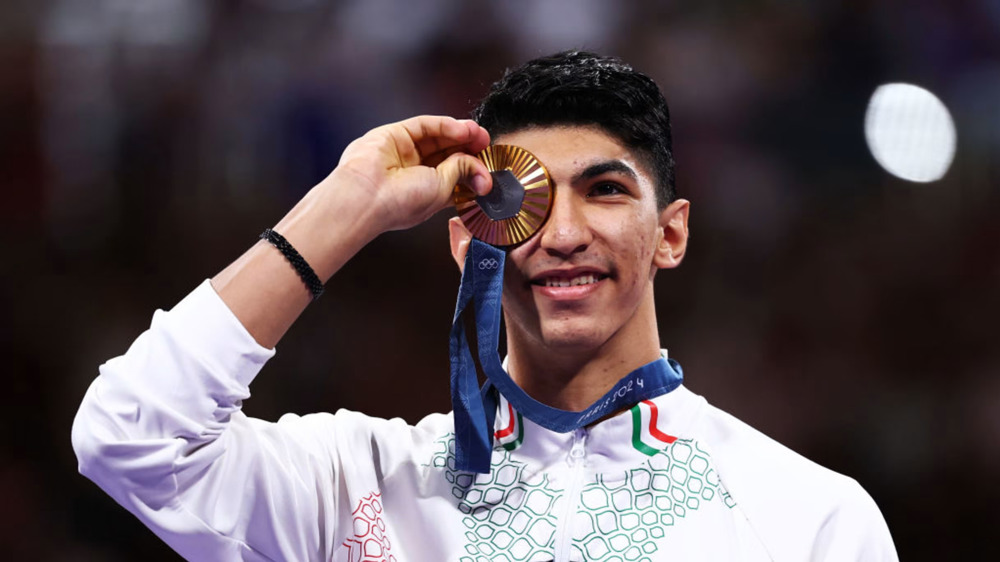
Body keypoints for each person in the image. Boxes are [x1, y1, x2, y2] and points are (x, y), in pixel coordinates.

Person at [72, 51, 897, 561]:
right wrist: (346, 205)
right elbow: (129, 436)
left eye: (605, 192)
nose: (564, 232)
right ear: (467, 239)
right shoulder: (353, 486)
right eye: (521, 198)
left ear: (670, 235)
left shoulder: (808, 521)